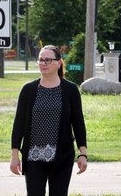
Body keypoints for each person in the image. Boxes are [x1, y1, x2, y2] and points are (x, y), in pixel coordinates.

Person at [10, 45, 87, 196]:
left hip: (62, 157)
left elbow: (78, 123)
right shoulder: (29, 90)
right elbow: (18, 124)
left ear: (58, 63)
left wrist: (82, 154)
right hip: (33, 158)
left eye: (48, 60)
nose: (43, 63)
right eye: (40, 60)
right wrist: (14, 156)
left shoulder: (70, 90)